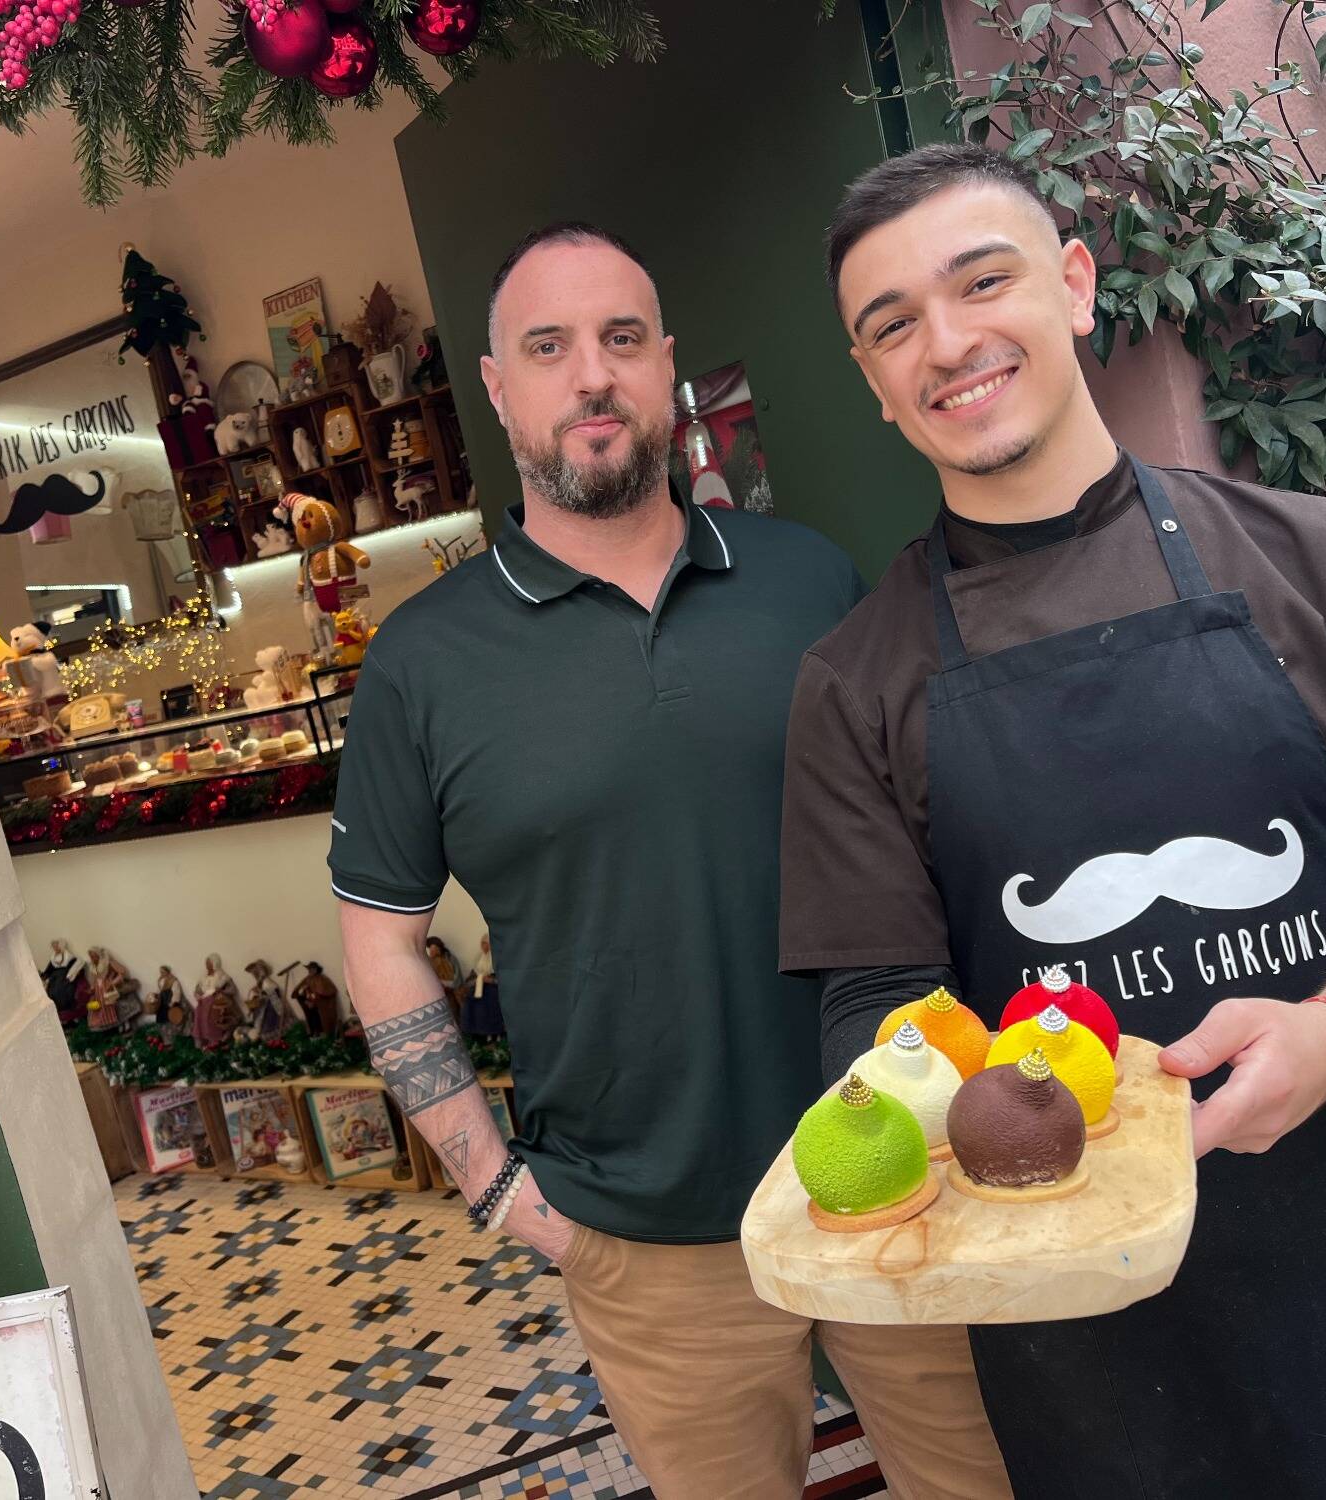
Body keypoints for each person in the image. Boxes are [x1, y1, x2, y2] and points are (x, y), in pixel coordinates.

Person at [782, 142, 1326, 1497]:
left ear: (1076, 285)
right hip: (1091, 1350)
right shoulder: (854, 684)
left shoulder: (1315, 556)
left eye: (982, 282)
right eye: (892, 325)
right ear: (872, 380)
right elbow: (873, 1005)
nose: (945, 343)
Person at [333, 222, 1011, 1500]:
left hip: (901, 1175)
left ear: (666, 368)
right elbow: (379, 938)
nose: (592, 375)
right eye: (549, 347)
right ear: (497, 388)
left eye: (622, 339)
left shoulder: (807, 578)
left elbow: (937, 838)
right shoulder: (422, 662)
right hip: (641, 1238)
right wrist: (494, 1187)